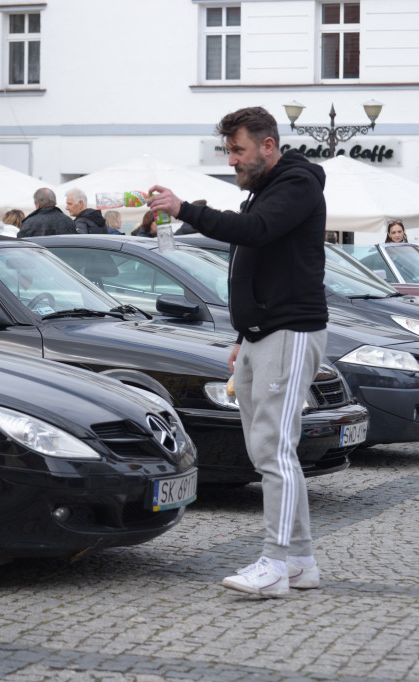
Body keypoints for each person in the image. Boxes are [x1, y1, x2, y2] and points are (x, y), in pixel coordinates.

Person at [148, 106, 328, 598]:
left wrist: (185, 209)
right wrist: (244, 335)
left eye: (238, 150)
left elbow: (255, 233)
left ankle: (274, 562)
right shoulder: (267, 191)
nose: (232, 160)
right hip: (261, 335)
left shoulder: (296, 184)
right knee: (269, 451)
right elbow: (260, 260)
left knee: (275, 450)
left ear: (268, 146)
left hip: (289, 334)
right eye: (228, 150)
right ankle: (301, 561)